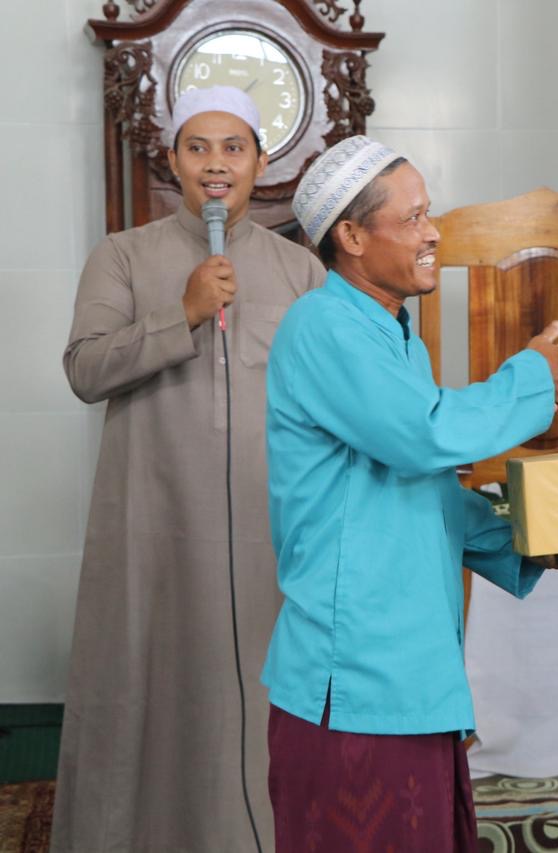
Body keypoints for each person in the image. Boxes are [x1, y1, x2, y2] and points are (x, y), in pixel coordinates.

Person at [262, 136, 558, 853]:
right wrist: (535, 377)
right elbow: (425, 434)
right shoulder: (323, 326)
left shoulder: (396, 338)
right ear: (352, 237)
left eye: (431, 212)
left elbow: (418, 492)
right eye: (414, 217)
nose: (433, 232)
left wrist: (531, 536)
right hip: (356, 686)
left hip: (410, 678)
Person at [53, 86, 325, 852]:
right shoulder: (123, 254)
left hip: (270, 535)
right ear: (172, 160)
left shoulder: (301, 270)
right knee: (148, 694)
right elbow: (84, 369)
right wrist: (185, 312)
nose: (215, 164)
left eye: (233, 147)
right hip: (154, 526)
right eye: (197, 148)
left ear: (261, 163)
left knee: (261, 702)